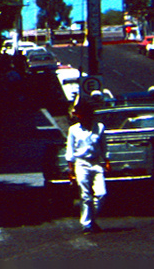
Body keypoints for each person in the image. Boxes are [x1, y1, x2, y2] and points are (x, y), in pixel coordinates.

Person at [65, 99, 108, 233]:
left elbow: (104, 146)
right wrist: (71, 170)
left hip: (95, 163)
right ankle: (87, 224)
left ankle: (91, 219)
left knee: (101, 193)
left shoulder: (99, 127)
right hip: (81, 163)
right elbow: (70, 151)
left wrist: (107, 161)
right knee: (85, 196)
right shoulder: (73, 130)